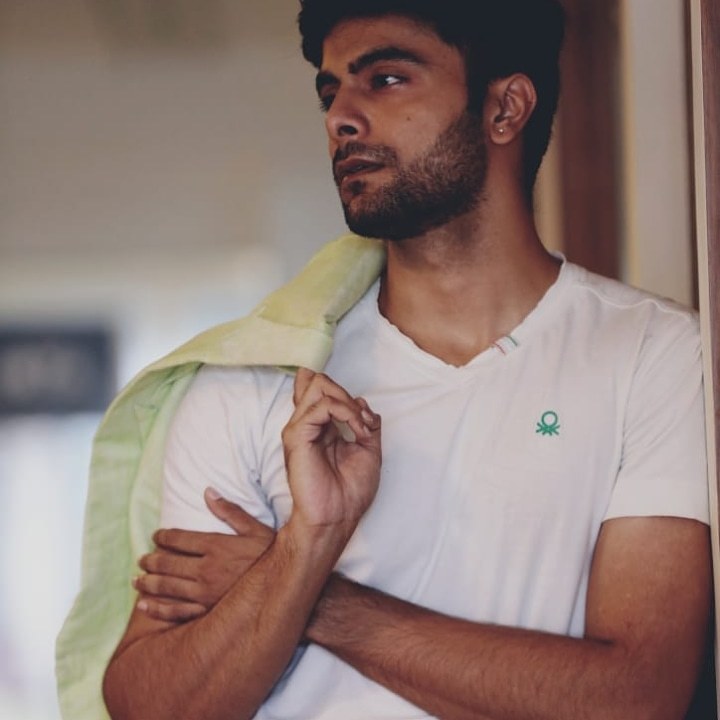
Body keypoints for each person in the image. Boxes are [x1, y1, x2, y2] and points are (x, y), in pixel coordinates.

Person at [102, 1, 712, 718]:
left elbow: (636, 700)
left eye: (385, 79)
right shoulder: (257, 382)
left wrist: (310, 597)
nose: (340, 118)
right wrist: (308, 542)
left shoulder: (653, 354)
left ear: (505, 109)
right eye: (330, 92)